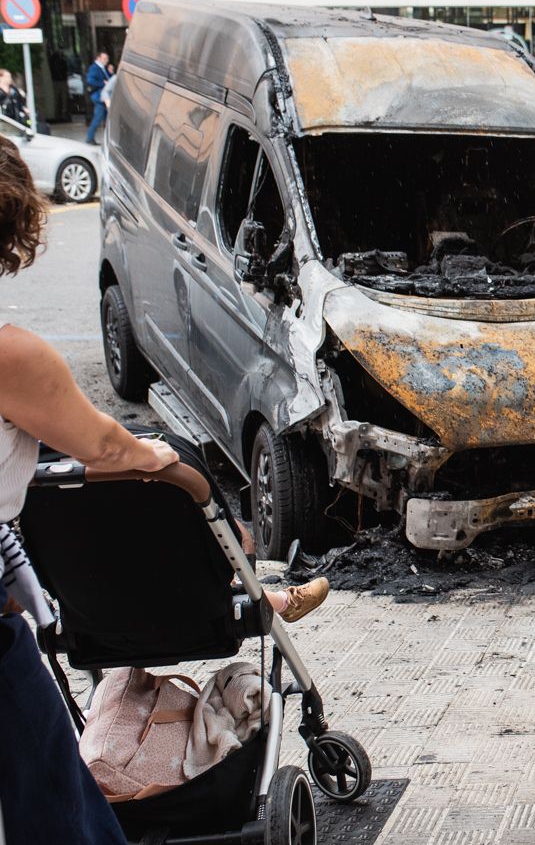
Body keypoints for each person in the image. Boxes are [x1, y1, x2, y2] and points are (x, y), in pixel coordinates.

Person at [0, 141, 324, 842]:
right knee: (52, 794)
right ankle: (258, 587)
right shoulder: (11, 355)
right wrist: (162, 458)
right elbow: (108, 447)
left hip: (62, 595)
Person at [84, 51, 110, 145]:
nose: (106, 60)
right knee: (98, 118)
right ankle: (89, 138)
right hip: (98, 97)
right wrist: (103, 83)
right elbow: (90, 81)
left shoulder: (102, 68)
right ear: (98, 58)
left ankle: (107, 139)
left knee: (105, 118)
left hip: (102, 97)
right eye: (104, 58)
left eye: (107, 58)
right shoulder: (95, 68)